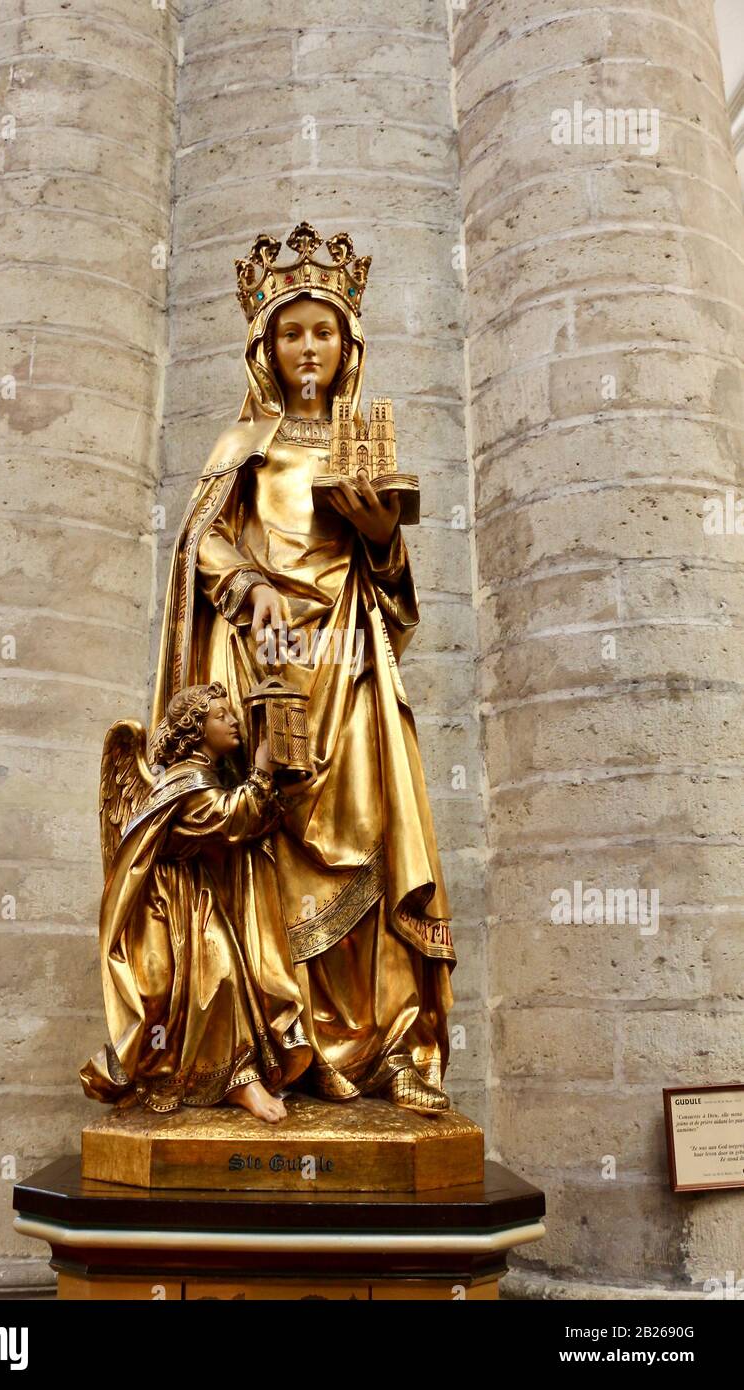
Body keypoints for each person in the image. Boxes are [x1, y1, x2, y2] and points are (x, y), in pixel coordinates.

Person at [149, 223, 456, 1112]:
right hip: (265, 666)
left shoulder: (364, 447)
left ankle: (384, 1048)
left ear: (346, 345)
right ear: (266, 348)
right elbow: (198, 546)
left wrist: (382, 538)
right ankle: (276, 1044)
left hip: (349, 666)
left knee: (375, 837)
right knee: (266, 849)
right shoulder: (245, 447)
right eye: (292, 333)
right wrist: (247, 583)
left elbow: (395, 596)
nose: (308, 347)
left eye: (323, 331)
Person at [79, 682, 311, 1122]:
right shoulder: (184, 780)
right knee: (217, 976)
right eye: (221, 716)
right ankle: (228, 1080)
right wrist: (261, 773)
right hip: (168, 905)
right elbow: (228, 819)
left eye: (231, 713)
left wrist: (282, 795)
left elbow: (242, 821)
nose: (233, 721)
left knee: (223, 977)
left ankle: (239, 1077)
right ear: (195, 728)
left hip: (195, 894)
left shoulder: (204, 776)